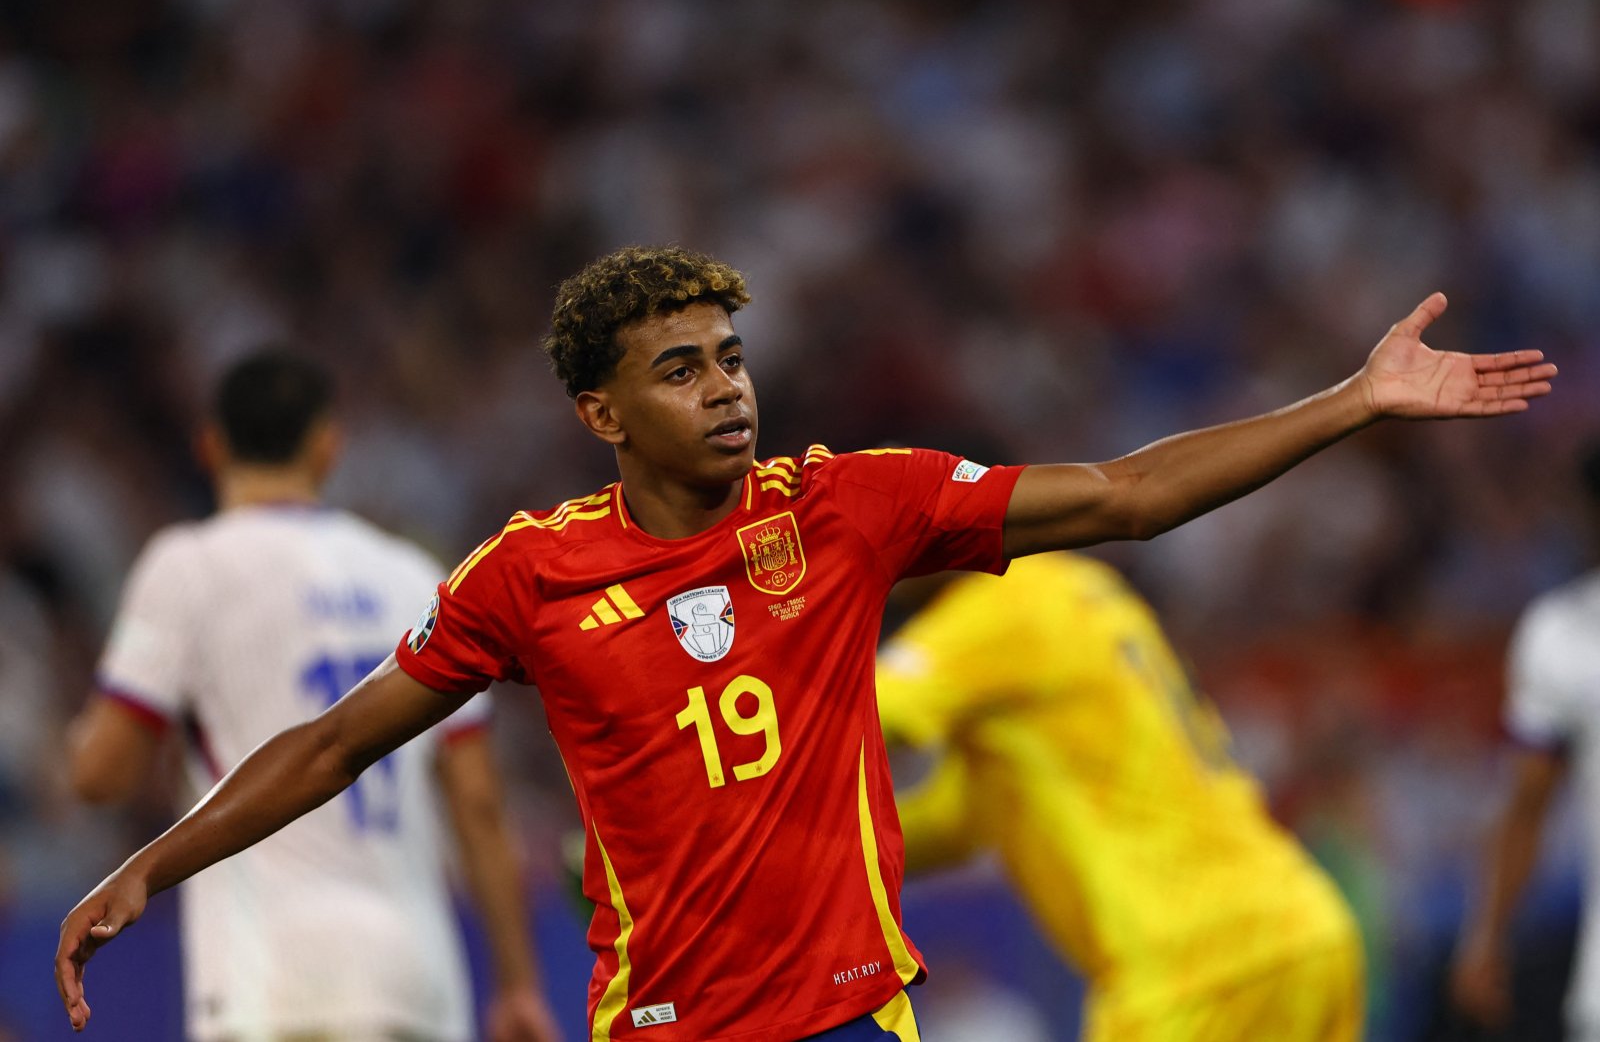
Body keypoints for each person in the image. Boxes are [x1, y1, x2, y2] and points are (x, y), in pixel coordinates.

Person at [56, 245, 1554, 1042]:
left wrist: (1351, 401)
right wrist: (153, 862)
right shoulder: (531, 572)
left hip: (850, 1014)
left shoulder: (848, 508)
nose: (725, 389)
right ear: (603, 412)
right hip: (663, 1025)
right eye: (680, 368)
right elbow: (332, 742)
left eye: (732, 358)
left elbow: (1132, 493)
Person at [64, 349, 562, 1042]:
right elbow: (477, 803)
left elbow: (103, 775)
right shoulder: (412, 574)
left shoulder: (187, 567)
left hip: (268, 975)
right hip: (412, 976)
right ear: (328, 446)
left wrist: (82, 740)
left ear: (210, 447)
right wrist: (518, 984)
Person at [877, 552, 1363, 1040]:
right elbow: (961, 817)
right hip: (1300, 931)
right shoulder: (1075, 587)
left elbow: (867, 713)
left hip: (1194, 966)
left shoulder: (1000, 611)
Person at [1450, 441, 1600, 1041]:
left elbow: (1526, 802)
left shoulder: (1565, 635)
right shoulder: (1561, 634)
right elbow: (1528, 803)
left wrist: (1485, 938)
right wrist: (1486, 935)